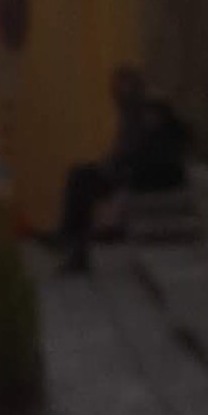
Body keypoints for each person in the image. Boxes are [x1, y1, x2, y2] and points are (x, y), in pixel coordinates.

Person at [48, 64, 192, 275]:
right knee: (79, 177)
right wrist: (107, 165)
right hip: (128, 173)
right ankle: (72, 244)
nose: (118, 94)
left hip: (144, 177)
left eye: (123, 87)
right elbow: (123, 152)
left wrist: (117, 173)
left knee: (81, 181)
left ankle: (72, 245)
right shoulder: (130, 115)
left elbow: (144, 152)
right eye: (115, 88)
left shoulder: (147, 112)